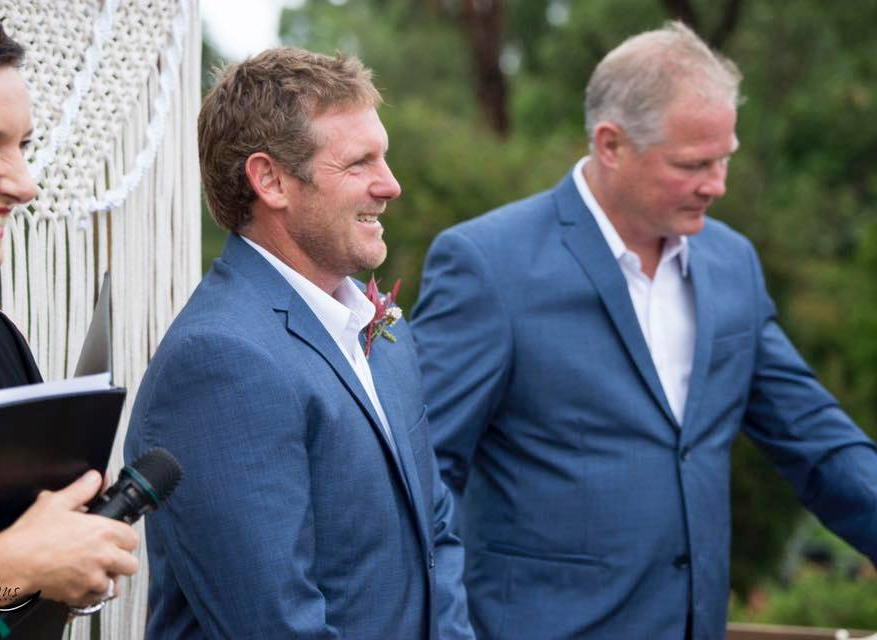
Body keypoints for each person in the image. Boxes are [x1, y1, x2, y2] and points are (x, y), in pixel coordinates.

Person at [411, 21, 877, 640]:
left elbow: (816, 440)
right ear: (611, 144)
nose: (718, 184)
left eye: (725, 158)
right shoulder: (489, 265)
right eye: (693, 164)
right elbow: (419, 474)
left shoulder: (732, 264)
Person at [124, 47, 473, 639]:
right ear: (271, 180)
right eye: (359, 163)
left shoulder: (384, 330)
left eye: (383, 157)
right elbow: (275, 622)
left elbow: (436, 531)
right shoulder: (221, 360)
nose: (390, 185)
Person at [0, 1, 139, 637]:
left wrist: (72, 563)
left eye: (23, 147)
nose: (23, 184)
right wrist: (23, 565)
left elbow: (5, 596)